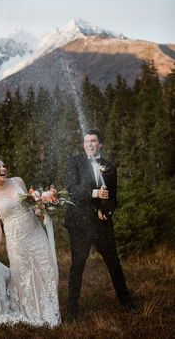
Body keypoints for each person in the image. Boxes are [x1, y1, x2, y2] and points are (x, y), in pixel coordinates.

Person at [0, 158, 60, 328]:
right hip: (17, 241)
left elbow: (30, 205)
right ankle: (33, 312)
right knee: (25, 277)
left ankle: (51, 311)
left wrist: (42, 206)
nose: (3, 169)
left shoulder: (18, 181)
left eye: (4, 166)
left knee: (46, 270)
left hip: (35, 233)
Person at [64, 130, 135, 321]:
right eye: (86, 141)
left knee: (114, 262)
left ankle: (126, 301)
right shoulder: (74, 162)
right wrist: (95, 194)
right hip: (79, 223)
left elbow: (113, 198)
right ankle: (72, 309)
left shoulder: (109, 167)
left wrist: (107, 211)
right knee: (77, 265)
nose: (89, 144)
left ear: (101, 144)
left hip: (102, 225)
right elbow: (72, 189)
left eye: (93, 141)